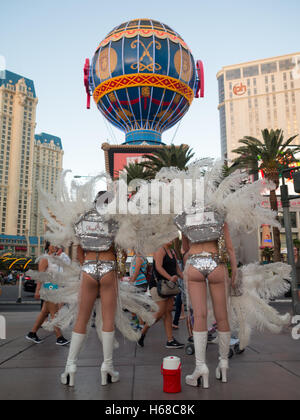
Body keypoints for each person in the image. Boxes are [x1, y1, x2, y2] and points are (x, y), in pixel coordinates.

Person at [60, 192, 120, 387]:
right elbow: (122, 248)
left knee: (81, 318)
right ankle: (107, 367)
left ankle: (70, 367)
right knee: (108, 319)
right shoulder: (116, 220)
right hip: (108, 266)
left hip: (87, 269)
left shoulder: (82, 220)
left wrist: (87, 263)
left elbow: (78, 250)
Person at [137, 241, 184, 349]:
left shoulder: (172, 251)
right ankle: (142, 333)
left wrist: (184, 276)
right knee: (159, 312)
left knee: (168, 312)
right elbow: (158, 267)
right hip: (158, 285)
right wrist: (170, 277)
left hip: (169, 287)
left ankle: (170, 340)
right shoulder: (159, 250)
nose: (172, 239)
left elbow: (177, 269)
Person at [26, 242, 70, 346]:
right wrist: (37, 291)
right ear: (47, 246)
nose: (55, 246)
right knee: (54, 313)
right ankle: (59, 337)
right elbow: (40, 276)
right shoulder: (45, 259)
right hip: (48, 288)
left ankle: (32, 333)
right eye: (53, 245)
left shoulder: (55, 258)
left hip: (55, 288)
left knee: (44, 312)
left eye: (56, 245)